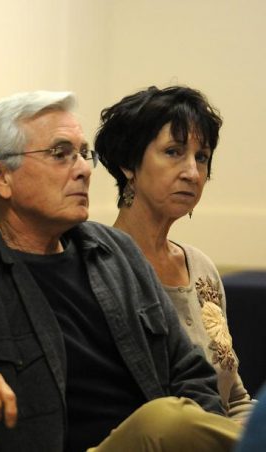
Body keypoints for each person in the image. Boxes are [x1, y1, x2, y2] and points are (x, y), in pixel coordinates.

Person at [0, 91, 242, 451]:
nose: (83, 170)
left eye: (83, 154)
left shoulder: (117, 253)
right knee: (164, 421)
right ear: (0, 177)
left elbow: (192, 374)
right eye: (61, 154)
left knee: (173, 420)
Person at [94, 85, 254, 422]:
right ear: (128, 163)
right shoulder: (99, 268)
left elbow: (235, 399)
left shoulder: (201, 268)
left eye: (202, 157)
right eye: (173, 152)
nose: (192, 173)